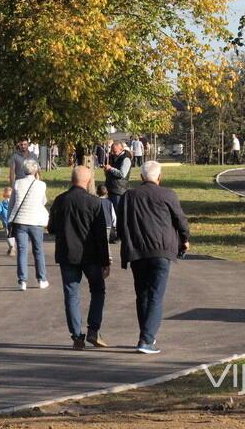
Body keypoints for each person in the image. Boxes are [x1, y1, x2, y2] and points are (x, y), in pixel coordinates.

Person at [118, 161, 190, 355]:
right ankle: (146, 339)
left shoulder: (129, 196)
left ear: (141, 177)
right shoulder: (168, 195)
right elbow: (180, 221)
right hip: (161, 250)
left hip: (137, 251)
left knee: (142, 295)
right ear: (160, 177)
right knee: (156, 296)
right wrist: (184, 239)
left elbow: (121, 222)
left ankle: (146, 335)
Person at [48, 166, 111, 349]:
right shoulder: (94, 203)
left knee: (71, 294)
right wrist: (105, 261)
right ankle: (93, 329)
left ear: (71, 179)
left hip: (67, 255)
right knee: (98, 290)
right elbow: (101, 235)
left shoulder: (60, 200)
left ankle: (76, 336)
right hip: (91, 256)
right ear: (89, 180)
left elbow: (51, 228)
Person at [8, 158, 49, 291]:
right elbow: (43, 201)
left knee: (22, 251)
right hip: (36, 221)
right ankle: (41, 279)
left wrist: (9, 219)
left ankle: (22, 281)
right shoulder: (41, 185)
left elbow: (12, 203)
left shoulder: (17, 183)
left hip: (20, 221)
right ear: (35, 170)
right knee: (38, 250)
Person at [102, 140, 132, 213]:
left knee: (118, 213)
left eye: (115, 151)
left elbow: (122, 174)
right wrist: (106, 171)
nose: (113, 153)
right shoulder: (113, 158)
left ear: (121, 149)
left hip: (119, 191)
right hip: (111, 189)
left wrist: (110, 169)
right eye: (112, 151)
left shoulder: (126, 159)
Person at [0, 186, 15, 255]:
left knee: (8, 235)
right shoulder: (14, 203)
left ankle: (11, 246)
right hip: (15, 222)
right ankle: (12, 246)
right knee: (13, 235)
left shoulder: (1, 204)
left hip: (7, 223)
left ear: (3, 195)